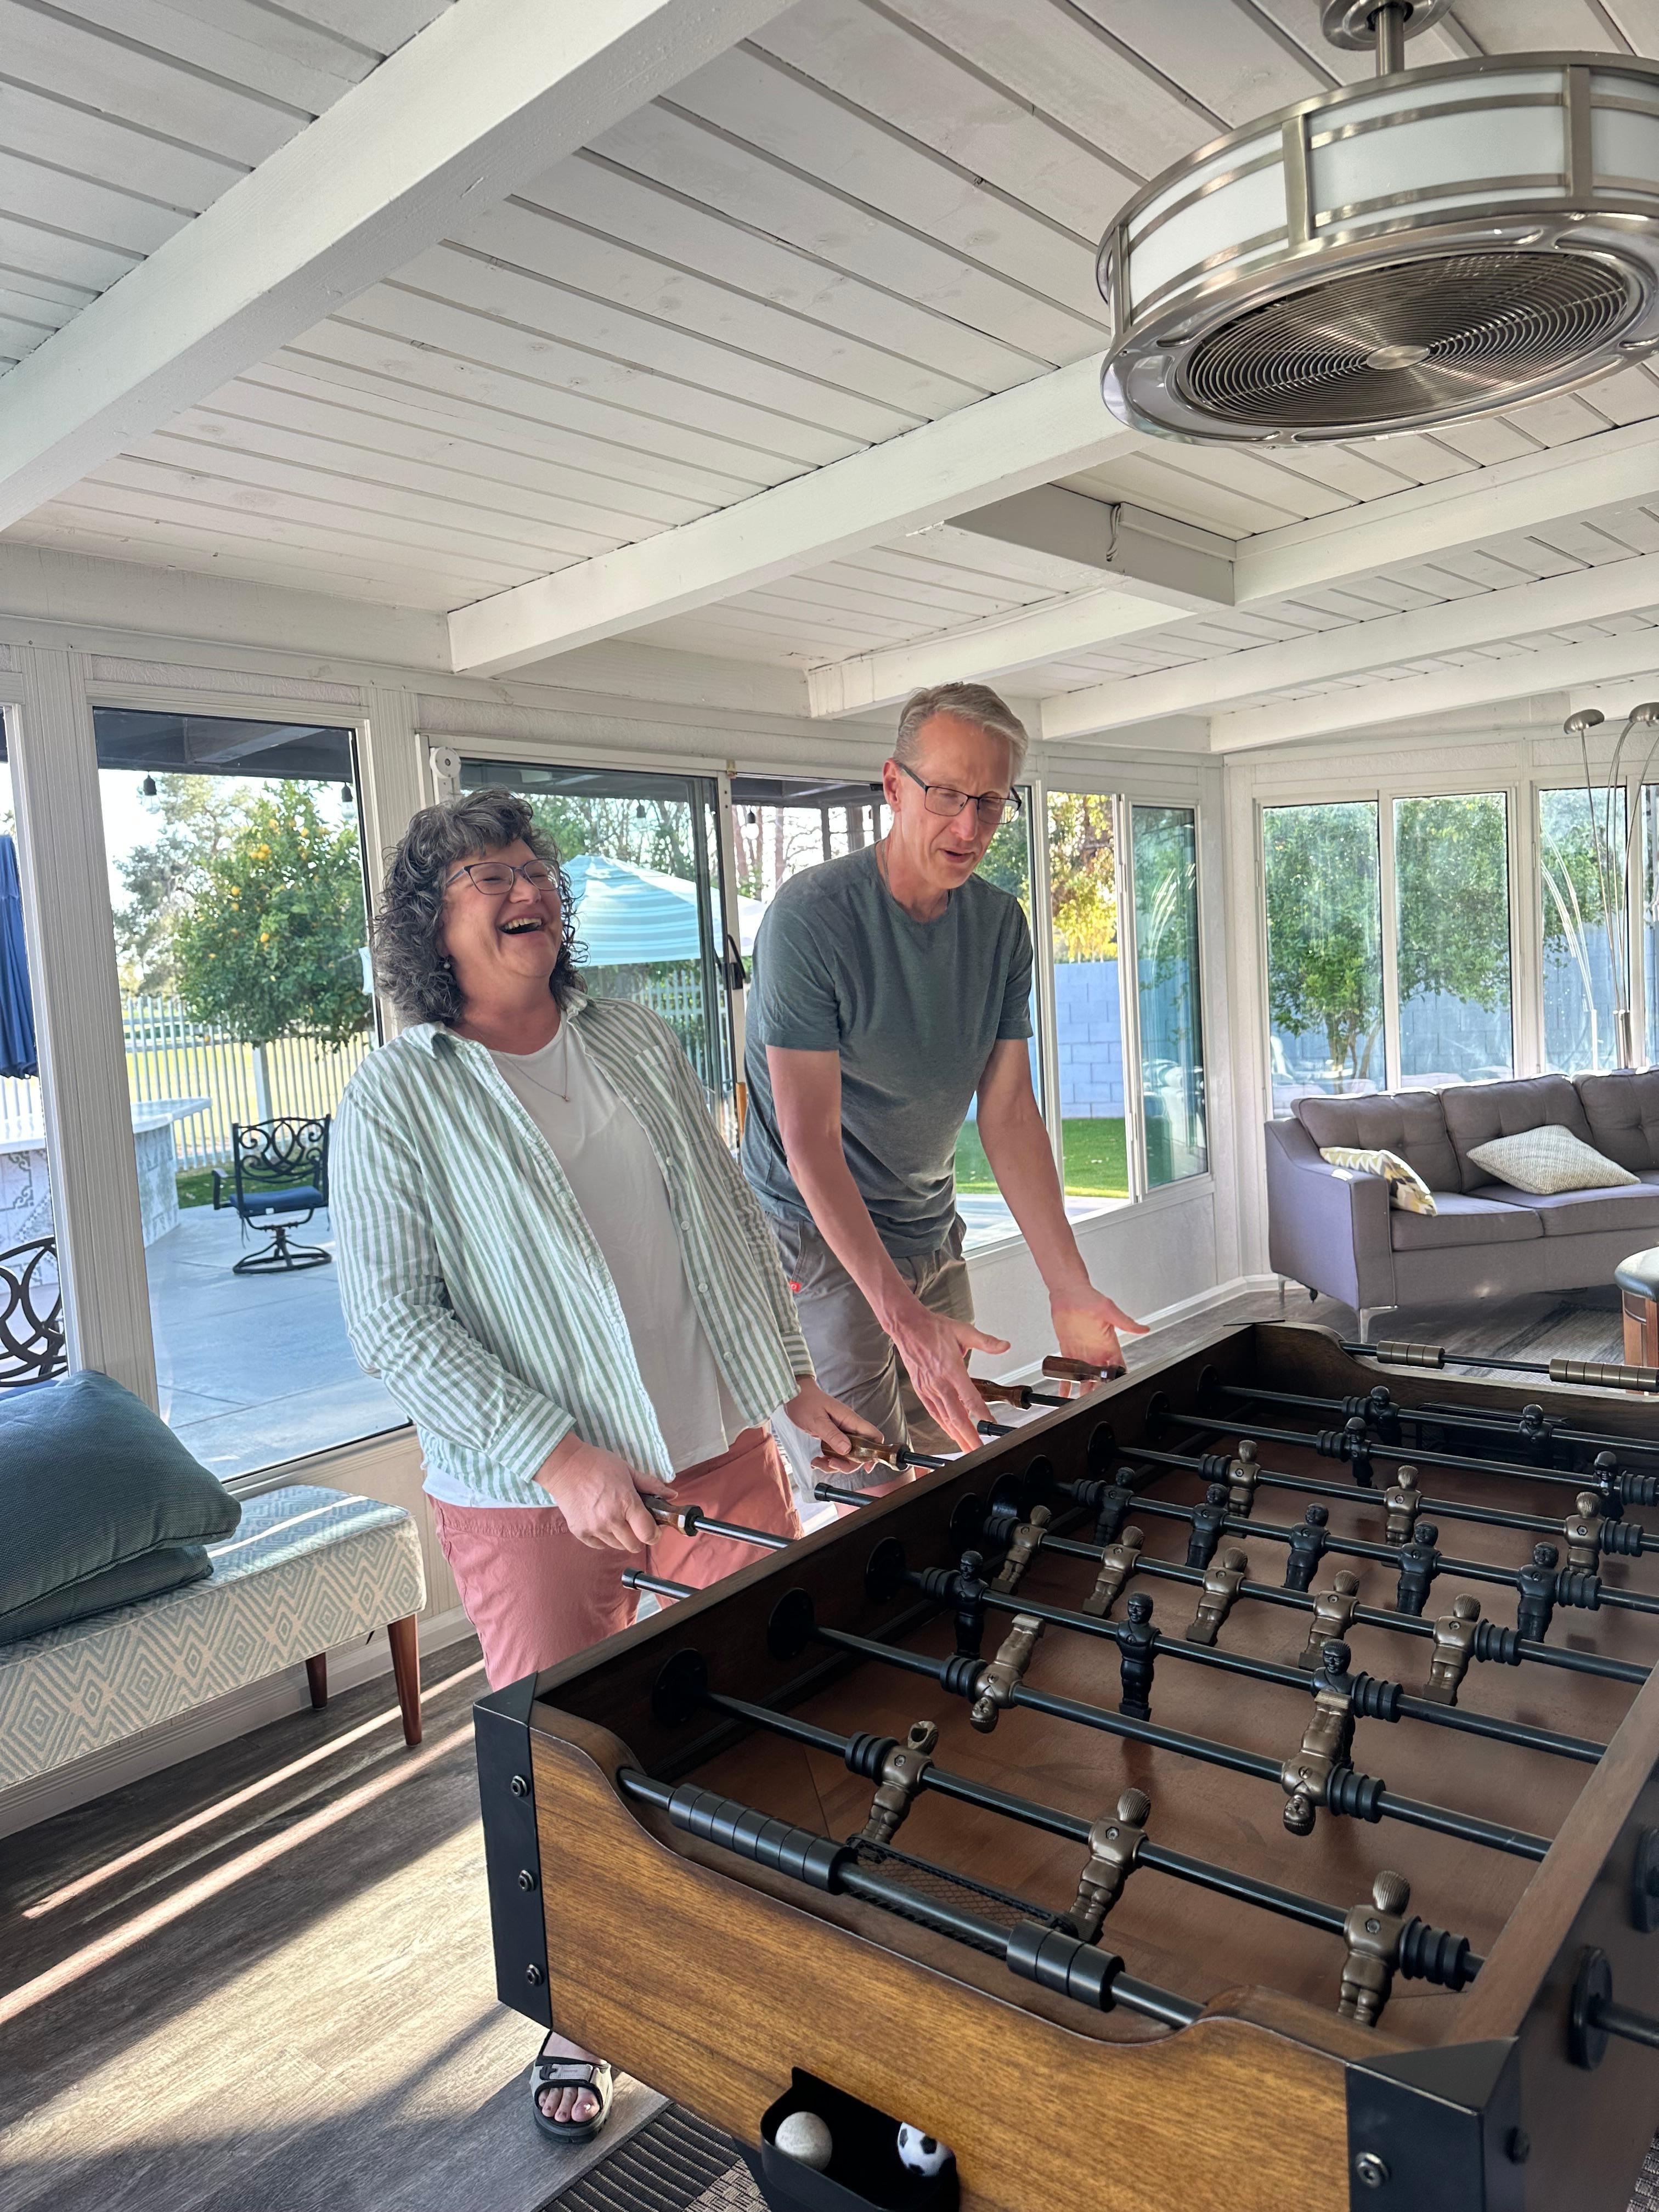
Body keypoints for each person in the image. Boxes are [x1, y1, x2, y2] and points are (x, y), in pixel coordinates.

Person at [331, 790, 877, 2145]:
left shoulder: (632, 1036)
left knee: (769, 1709)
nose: (527, 888)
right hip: (527, 1495)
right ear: (432, 925)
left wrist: (791, 1384)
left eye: (536, 867)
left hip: (714, 1447)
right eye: (488, 875)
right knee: (566, 1770)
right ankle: (588, 2007)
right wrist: (560, 1455)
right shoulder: (400, 1092)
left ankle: (783, 1965)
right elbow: (392, 1320)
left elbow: (726, 1221)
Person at [741, 681, 1145, 1471]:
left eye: (990, 803)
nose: (969, 827)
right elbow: (808, 1141)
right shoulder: (811, 919)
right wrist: (903, 1321)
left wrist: (1067, 1284)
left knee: (949, 1457)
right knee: (870, 1482)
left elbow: (1010, 1113)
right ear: (895, 786)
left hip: (928, 1225)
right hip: (815, 1238)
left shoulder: (1000, 926)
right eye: (948, 795)